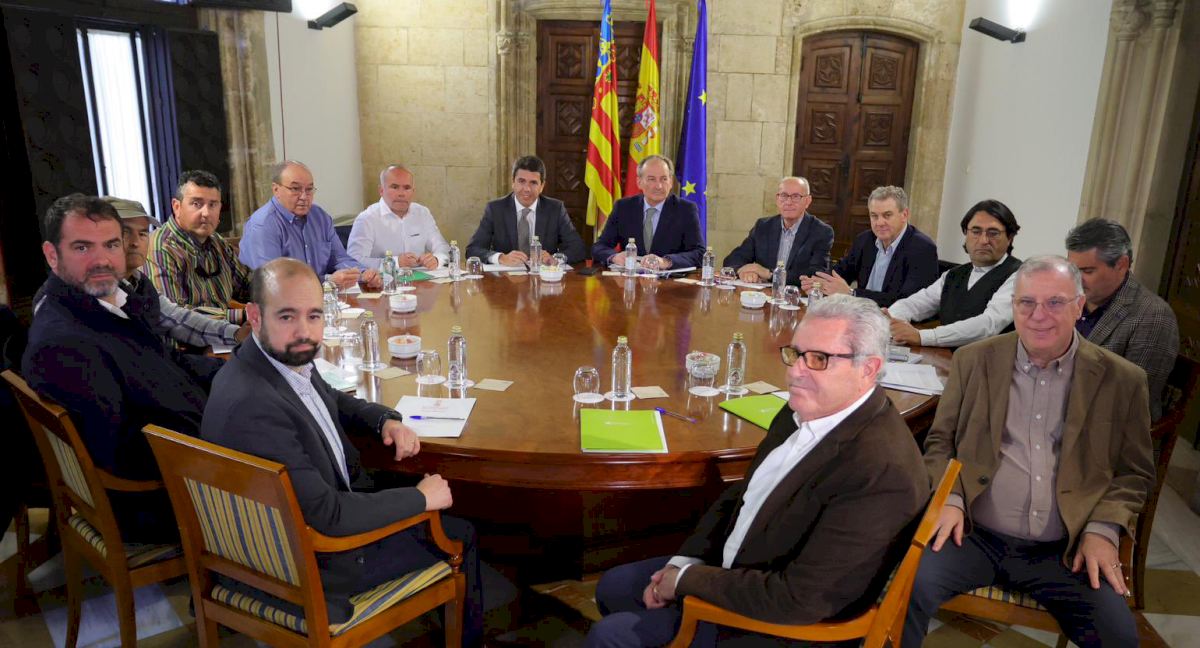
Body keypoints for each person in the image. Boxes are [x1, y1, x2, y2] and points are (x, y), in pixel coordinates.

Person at [587, 295, 928, 647]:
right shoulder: (806, 407)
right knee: (615, 586)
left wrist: (687, 581)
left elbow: (799, 599)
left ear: (868, 368)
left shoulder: (881, 471)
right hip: (746, 567)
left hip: (785, 626)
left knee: (610, 638)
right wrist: (685, 561)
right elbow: (743, 495)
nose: (795, 371)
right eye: (795, 354)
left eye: (819, 359)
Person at [201, 258, 483, 644]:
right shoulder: (255, 406)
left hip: (305, 524)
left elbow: (330, 397)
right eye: (287, 316)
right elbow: (329, 515)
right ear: (254, 315)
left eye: (314, 316)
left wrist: (384, 420)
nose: (304, 331)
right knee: (462, 529)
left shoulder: (273, 361)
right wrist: (420, 499)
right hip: (318, 562)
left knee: (429, 491)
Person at [904, 255, 1155, 648]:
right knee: (903, 592)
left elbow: (1134, 473)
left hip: (1065, 549)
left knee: (1119, 637)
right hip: (971, 533)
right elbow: (939, 442)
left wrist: (1103, 529)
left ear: (1078, 305)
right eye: (1026, 303)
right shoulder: (973, 361)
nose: (1039, 315)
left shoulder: (1122, 380)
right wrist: (949, 497)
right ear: (1013, 306)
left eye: (1055, 302)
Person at [23, 194, 213, 542]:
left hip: (188, 453)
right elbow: (120, 455)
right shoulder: (64, 343)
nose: (102, 260)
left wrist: (229, 375)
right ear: (52, 255)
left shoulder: (107, 301)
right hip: (160, 499)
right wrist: (220, 442)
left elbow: (165, 361)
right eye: (82, 247)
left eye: (111, 244)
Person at [1066, 218, 1179, 421]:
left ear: (1121, 265)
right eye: (1073, 270)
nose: (1075, 279)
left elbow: (1132, 400)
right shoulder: (1071, 297)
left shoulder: (1153, 317)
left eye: (1087, 271)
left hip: (1104, 425)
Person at [107, 196, 249, 353]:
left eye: (142, 233)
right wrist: (241, 318)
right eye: (125, 232)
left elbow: (177, 318)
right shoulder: (101, 292)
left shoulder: (139, 283)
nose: (136, 242)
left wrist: (235, 334)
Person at [885, 199, 1022, 348]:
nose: (983, 240)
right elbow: (914, 304)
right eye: (976, 231)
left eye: (993, 233)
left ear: (1009, 238)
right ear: (966, 234)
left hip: (989, 361)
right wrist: (891, 321)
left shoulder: (1020, 276)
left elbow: (989, 324)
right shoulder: (953, 275)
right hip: (944, 357)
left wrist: (922, 336)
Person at [239, 160, 380, 290]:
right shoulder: (262, 225)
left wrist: (363, 273)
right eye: (295, 189)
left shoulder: (319, 217)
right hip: (278, 303)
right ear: (276, 190)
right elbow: (271, 283)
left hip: (322, 299)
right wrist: (327, 282)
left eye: (309, 189)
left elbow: (339, 258)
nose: (304, 197)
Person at [801, 185, 938, 307]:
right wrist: (818, 283)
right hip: (861, 315)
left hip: (896, 321)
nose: (879, 223)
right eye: (874, 216)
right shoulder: (865, 240)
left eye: (887, 215)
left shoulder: (922, 248)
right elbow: (840, 272)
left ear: (904, 215)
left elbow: (908, 301)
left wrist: (852, 293)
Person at [144, 170, 252, 323]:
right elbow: (173, 314)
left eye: (212, 205)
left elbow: (246, 284)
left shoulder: (217, 242)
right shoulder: (160, 248)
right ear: (176, 207)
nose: (206, 213)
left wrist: (275, 292)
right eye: (197, 204)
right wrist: (242, 316)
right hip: (187, 337)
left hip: (225, 331)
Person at [466, 155, 587, 266]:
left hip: (543, 277)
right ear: (513, 182)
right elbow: (473, 250)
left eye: (533, 183)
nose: (527, 189)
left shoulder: (555, 209)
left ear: (542, 186)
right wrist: (501, 258)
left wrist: (555, 259)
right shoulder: (495, 209)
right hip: (505, 278)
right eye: (521, 181)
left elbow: (579, 248)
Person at [591, 155, 705, 271]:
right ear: (639, 182)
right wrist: (615, 257)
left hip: (668, 280)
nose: (658, 186)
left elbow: (699, 253)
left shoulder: (685, 210)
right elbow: (599, 246)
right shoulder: (623, 207)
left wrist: (666, 261)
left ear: (671, 182)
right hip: (630, 279)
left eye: (664, 179)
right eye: (651, 179)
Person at [721, 176, 834, 284]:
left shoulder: (821, 232)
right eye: (784, 196)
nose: (788, 202)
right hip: (763, 294)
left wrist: (770, 274)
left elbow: (817, 274)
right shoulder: (763, 226)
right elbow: (733, 260)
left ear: (808, 201)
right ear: (777, 199)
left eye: (796, 196)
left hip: (796, 295)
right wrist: (744, 271)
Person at [347, 164, 450, 270]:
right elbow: (353, 261)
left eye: (407, 188)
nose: (401, 193)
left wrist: (437, 259)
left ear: (413, 191)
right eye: (395, 187)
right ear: (381, 190)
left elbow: (444, 248)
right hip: (384, 279)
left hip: (422, 277)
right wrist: (395, 263)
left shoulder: (422, 213)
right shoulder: (367, 219)